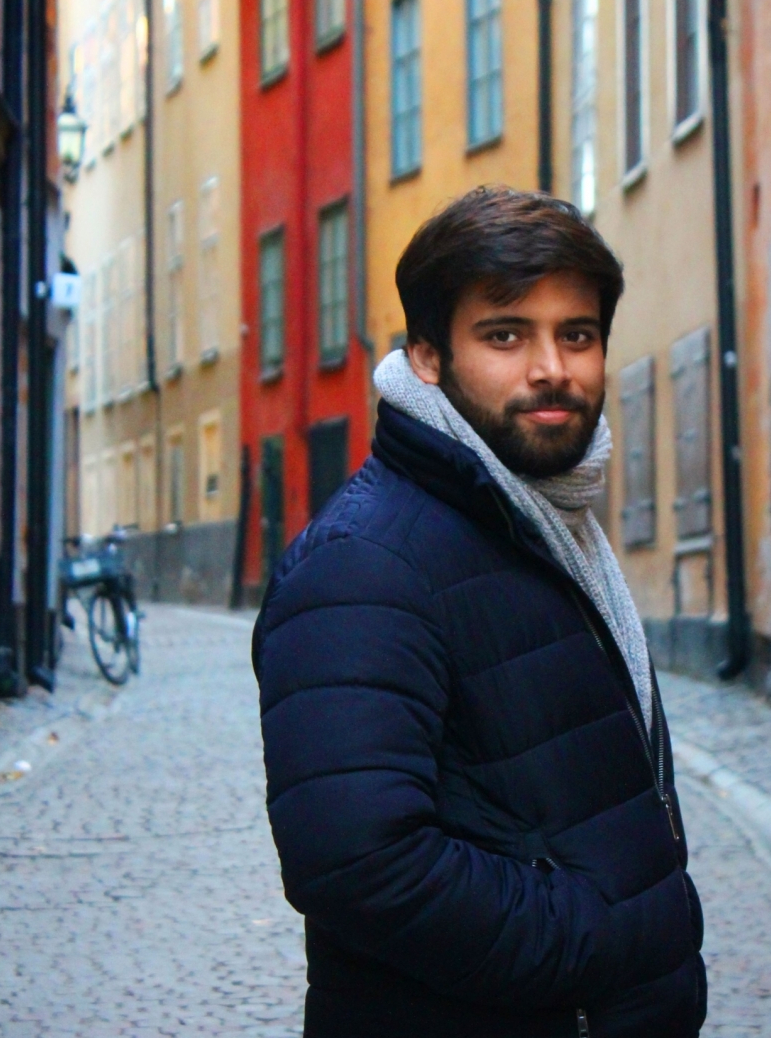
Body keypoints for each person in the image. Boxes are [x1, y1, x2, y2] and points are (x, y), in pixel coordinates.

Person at [252, 186, 706, 1038]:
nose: (552, 367)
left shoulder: (546, 520)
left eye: (577, 333)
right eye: (506, 334)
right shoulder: (364, 560)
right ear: (427, 355)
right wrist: (609, 935)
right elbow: (359, 864)